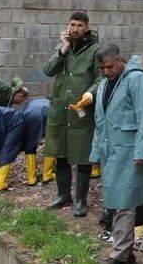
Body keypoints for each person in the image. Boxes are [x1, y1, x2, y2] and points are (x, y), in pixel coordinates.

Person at [89, 44, 143, 264]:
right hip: (112, 151)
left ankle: (120, 256)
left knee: (124, 202)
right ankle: (126, 253)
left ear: (121, 60)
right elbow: (100, 120)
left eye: (109, 66)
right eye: (102, 68)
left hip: (130, 149)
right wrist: (96, 151)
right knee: (115, 201)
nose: (106, 71)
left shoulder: (138, 80)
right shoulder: (104, 84)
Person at [43, 11, 100, 216]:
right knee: (61, 153)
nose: (75, 29)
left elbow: (100, 78)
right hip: (61, 108)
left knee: (83, 155)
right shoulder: (62, 47)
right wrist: (63, 49)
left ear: (86, 27)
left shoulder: (95, 50)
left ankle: (81, 201)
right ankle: (63, 195)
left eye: (79, 25)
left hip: (82, 109)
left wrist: (90, 94)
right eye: (72, 25)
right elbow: (48, 70)